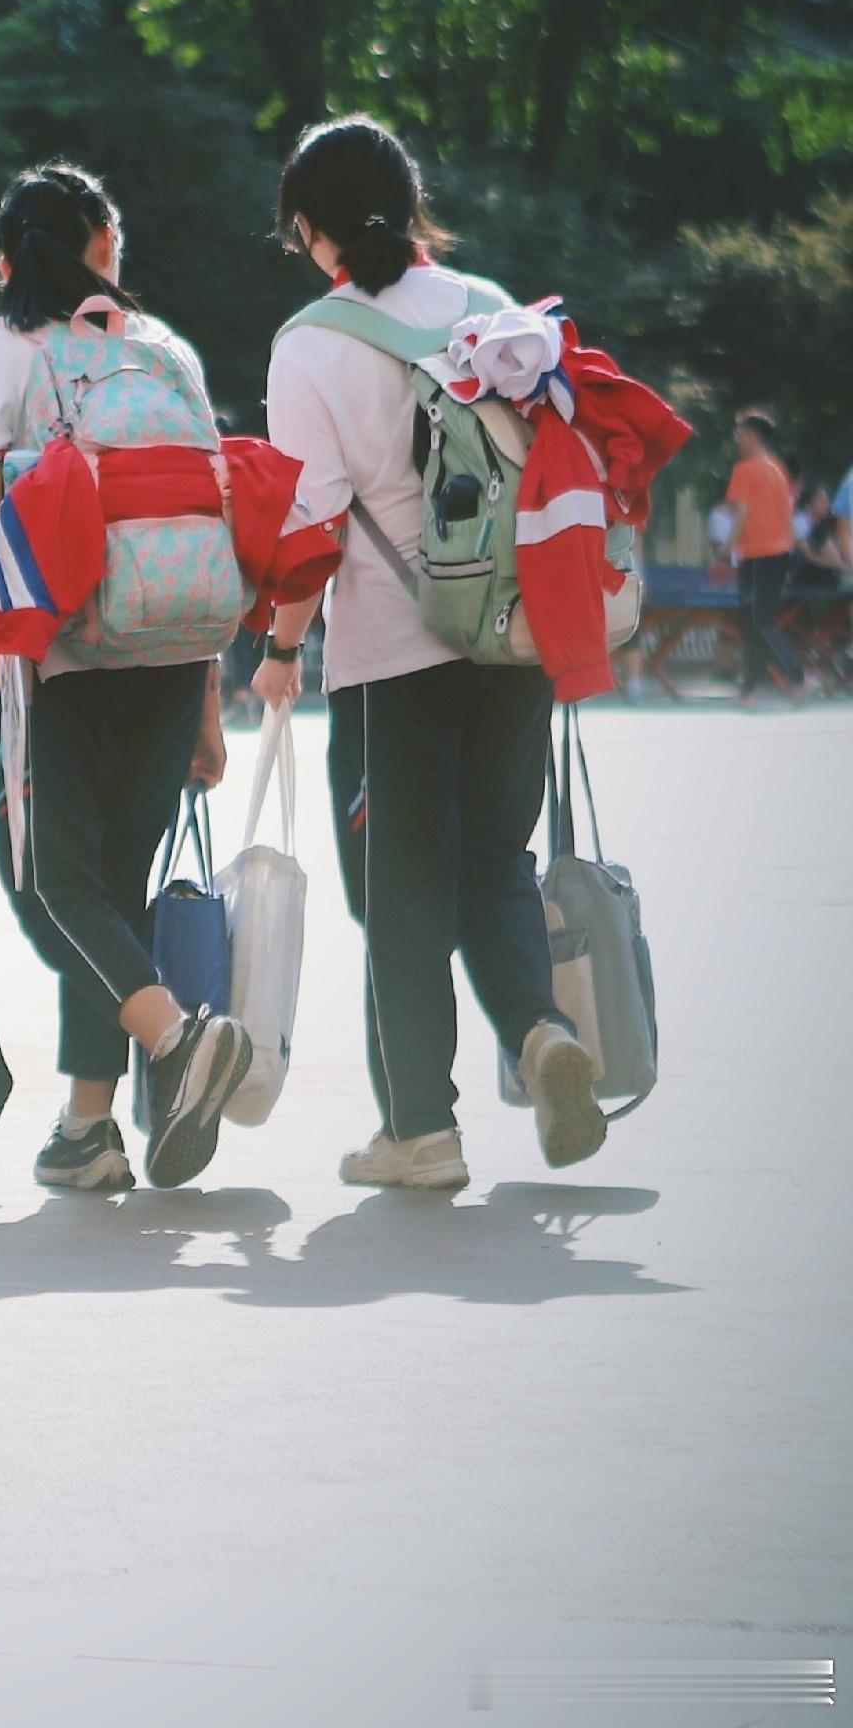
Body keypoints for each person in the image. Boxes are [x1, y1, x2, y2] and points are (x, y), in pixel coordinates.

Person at [256, 114, 604, 1188]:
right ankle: (540, 1031)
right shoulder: (493, 312)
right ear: (412, 208)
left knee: (398, 894)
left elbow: (308, 525)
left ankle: (421, 1131)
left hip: (388, 658)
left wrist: (276, 650)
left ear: (309, 230)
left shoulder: (310, 344)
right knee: (492, 862)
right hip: (513, 638)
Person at [0, 161, 249, 1197]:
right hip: (174, 641)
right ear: (106, 246)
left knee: (51, 875)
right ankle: (88, 1128)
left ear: (5, 259)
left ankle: (171, 1038)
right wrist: (209, 698)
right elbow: (199, 519)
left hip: (67, 648)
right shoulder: (163, 349)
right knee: (109, 883)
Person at [724, 412, 807, 704]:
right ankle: (751, 690)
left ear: (754, 437)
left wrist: (724, 551)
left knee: (757, 623)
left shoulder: (746, 469)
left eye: (741, 433)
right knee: (757, 622)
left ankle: (797, 677)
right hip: (780, 553)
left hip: (757, 554)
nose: (737, 438)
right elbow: (788, 514)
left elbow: (742, 514)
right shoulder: (777, 468)